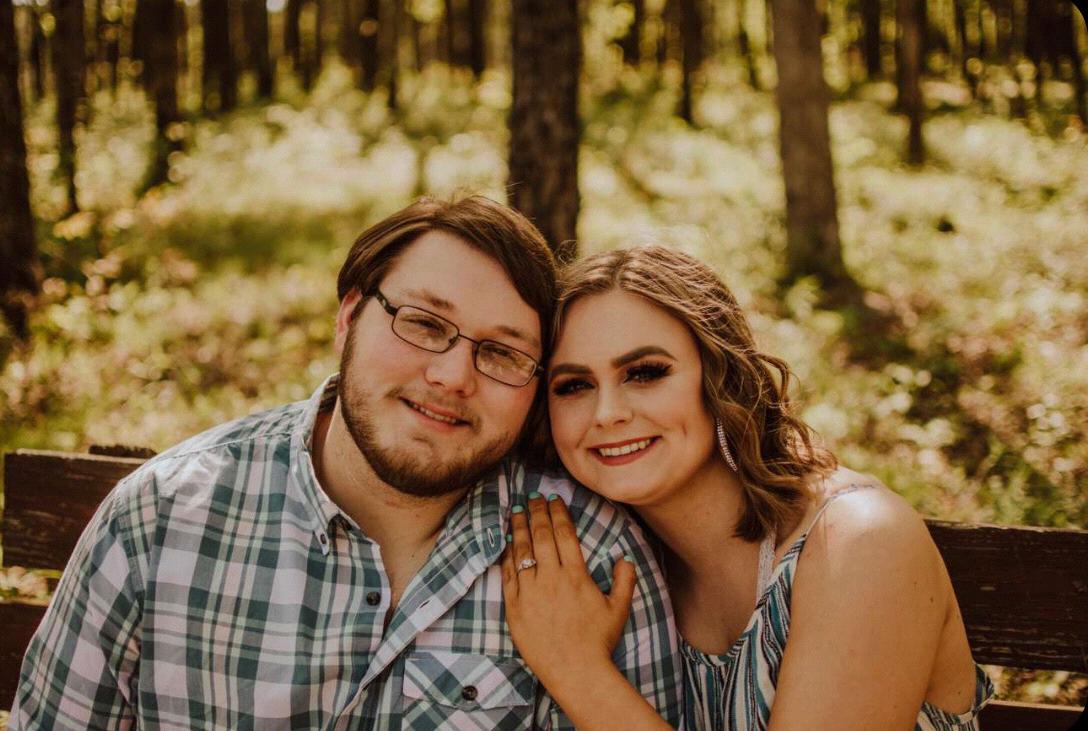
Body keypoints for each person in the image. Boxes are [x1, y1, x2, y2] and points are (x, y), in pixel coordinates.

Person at [10, 199, 684, 729]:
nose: (453, 376)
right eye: (424, 323)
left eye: (503, 353)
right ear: (350, 317)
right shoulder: (160, 519)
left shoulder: (591, 556)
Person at [501, 245, 994, 730]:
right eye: (574, 385)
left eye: (645, 373)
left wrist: (576, 668)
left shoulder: (860, 541)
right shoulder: (609, 555)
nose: (607, 413)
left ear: (722, 378)